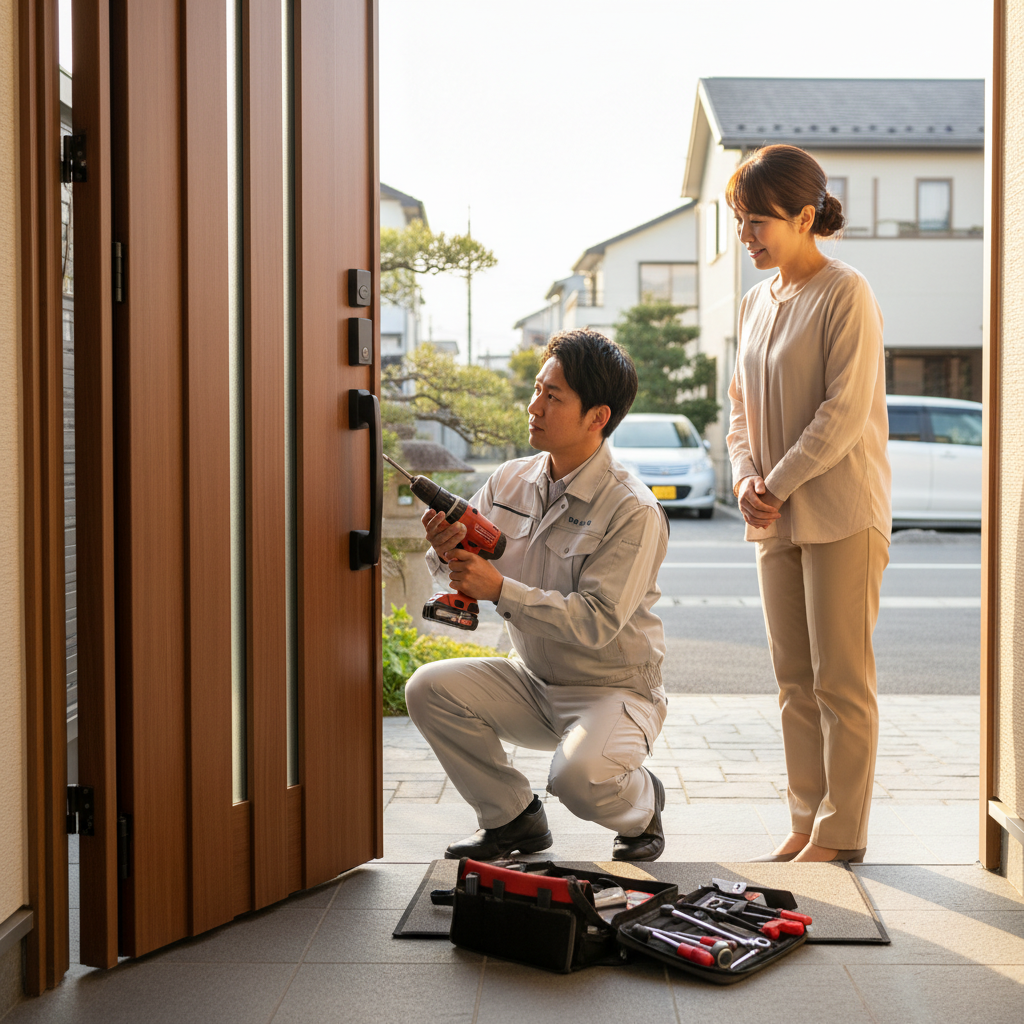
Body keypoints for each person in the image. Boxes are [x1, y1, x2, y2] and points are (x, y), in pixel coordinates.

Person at [405, 329, 671, 862]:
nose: (534, 407)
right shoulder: (509, 481)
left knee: (577, 779)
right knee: (428, 688)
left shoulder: (632, 509)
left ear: (597, 417)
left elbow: (597, 622)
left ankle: (642, 803)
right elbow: (456, 566)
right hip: (532, 681)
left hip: (613, 691)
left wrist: (499, 589)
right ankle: (512, 819)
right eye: (536, 389)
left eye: (553, 397)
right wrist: (445, 548)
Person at [726, 144, 891, 864]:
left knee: (840, 681)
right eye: (739, 220)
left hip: (842, 513)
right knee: (794, 681)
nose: (746, 235)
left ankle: (841, 833)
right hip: (774, 516)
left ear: (802, 216)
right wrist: (745, 479)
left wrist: (776, 484)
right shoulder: (753, 303)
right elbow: (738, 409)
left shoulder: (846, 292)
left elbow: (843, 412)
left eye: (757, 220)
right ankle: (805, 821)